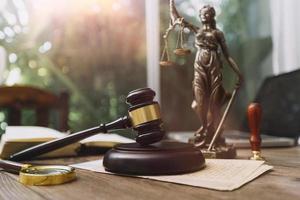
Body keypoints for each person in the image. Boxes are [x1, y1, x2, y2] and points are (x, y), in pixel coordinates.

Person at [169, 2, 243, 148]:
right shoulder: (197, 30)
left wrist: (238, 73)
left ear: (212, 16)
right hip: (200, 68)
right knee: (199, 101)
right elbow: (177, 18)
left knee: (214, 104)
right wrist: (171, 3)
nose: (203, 15)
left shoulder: (217, 34)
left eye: (207, 13)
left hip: (214, 68)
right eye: (202, 13)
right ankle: (205, 130)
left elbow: (227, 56)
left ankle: (212, 134)